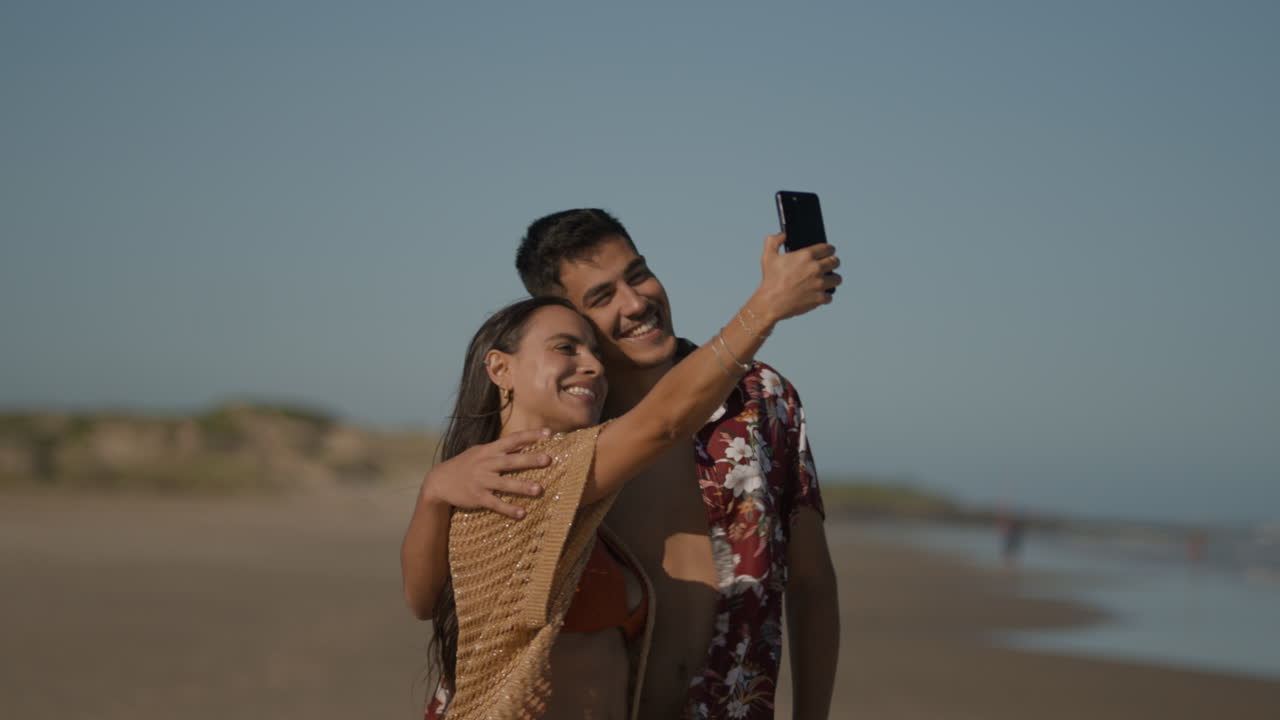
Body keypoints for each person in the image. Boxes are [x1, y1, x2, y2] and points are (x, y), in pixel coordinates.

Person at [401, 224, 840, 719]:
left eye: (639, 275)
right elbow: (664, 423)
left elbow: (810, 580)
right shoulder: (546, 452)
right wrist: (768, 304)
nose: (634, 303)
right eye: (601, 296)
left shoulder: (762, 400)